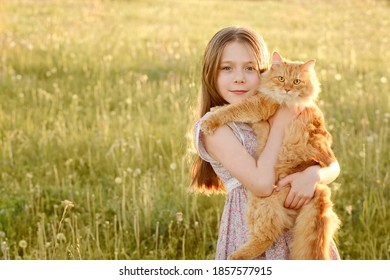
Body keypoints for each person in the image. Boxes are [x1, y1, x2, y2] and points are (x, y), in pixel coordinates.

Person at [191, 26, 341, 260]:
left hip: (302, 223)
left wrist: (313, 176)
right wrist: (280, 126)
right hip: (252, 228)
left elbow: (332, 165)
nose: (239, 77)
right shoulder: (215, 128)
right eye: (227, 68)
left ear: (264, 70)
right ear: (211, 73)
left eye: (249, 68)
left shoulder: (281, 106)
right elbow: (262, 185)